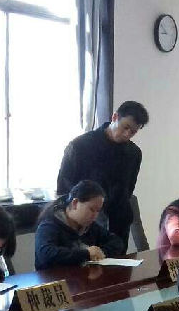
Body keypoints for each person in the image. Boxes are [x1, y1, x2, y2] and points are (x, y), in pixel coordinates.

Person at [56, 101, 149, 251]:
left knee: (119, 263)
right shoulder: (80, 146)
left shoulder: (134, 153)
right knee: (88, 262)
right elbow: (64, 188)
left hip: (119, 222)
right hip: (85, 223)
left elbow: (129, 188)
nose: (127, 134)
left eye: (133, 132)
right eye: (125, 127)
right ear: (115, 117)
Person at [34, 180, 125, 270]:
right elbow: (46, 254)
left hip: (81, 276)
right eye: (92, 209)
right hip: (54, 278)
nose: (95, 216)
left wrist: (100, 252)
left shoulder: (90, 226)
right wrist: (86, 254)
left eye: (98, 211)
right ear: (75, 203)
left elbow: (117, 242)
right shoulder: (49, 225)